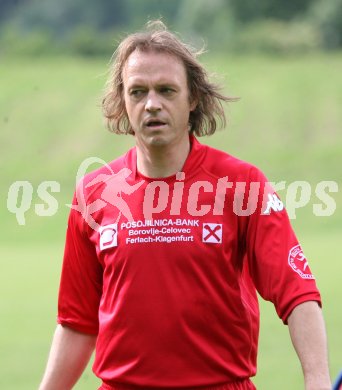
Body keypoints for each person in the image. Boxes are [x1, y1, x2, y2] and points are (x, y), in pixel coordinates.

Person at [39, 21, 331, 390]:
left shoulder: (242, 185)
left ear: (192, 98)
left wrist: (318, 381)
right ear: (123, 101)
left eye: (166, 90)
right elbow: (77, 322)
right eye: (138, 92)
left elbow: (298, 293)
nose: (152, 104)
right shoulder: (93, 194)